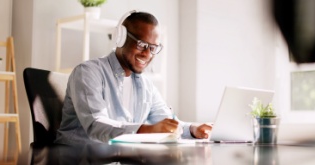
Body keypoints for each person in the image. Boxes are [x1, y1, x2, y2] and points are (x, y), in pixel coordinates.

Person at [54, 10, 212, 145]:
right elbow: (96, 125)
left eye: (153, 48)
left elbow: (167, 121)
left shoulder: (146, 86)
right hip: (78, 158)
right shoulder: (88, 73)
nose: (148, 54)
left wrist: (193, 129)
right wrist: (146, 130)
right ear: (121, 38)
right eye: (142, 45)